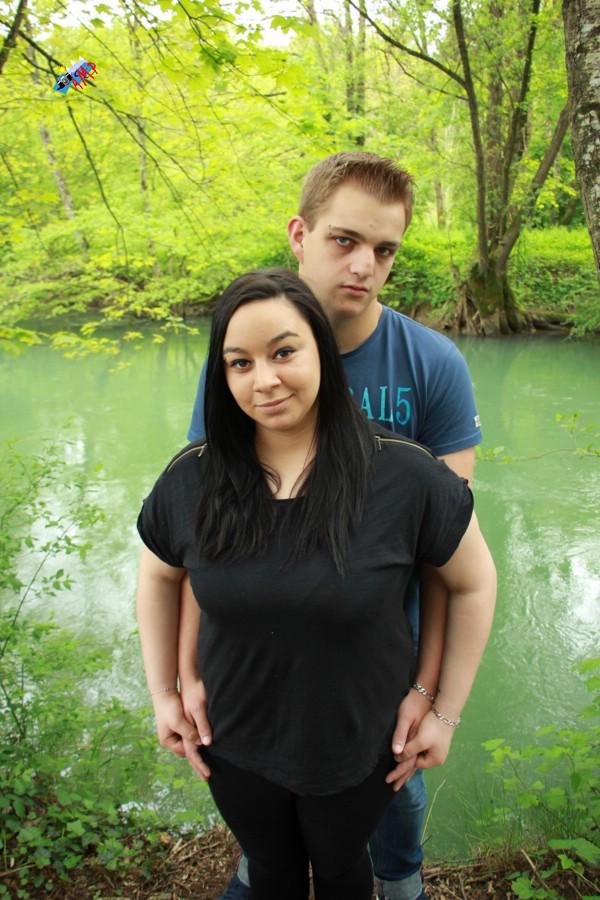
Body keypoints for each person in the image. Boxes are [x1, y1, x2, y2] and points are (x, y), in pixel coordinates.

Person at [137, 268, 496, 900]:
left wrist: (443, 710)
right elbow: (158, 575)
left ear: (322, 353)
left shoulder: (403, 473)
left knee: (339, 870)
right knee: (269, 870)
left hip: (358, 746)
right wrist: (165, 691)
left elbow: (473, 583)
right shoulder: (194, 477)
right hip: (232, 740)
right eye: (240, 363)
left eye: (284, 352)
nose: (264, 380)